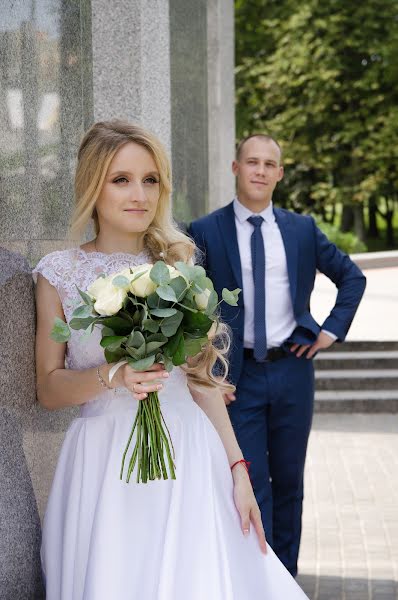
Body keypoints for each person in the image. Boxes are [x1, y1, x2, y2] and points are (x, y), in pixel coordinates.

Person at [33, 121, 309, 599]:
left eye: (150, 179)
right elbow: (48, 389)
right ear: (91, 185)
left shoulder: (181, 264)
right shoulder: (59, 273)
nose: (139, 194)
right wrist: (113, 375)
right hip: (105, 459)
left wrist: (238, 470)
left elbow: (202, 381)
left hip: (191, 452)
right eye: (121, 179)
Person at [189, 134, 366, 577]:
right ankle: (256, 580)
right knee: (248, 480)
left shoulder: (301, 229)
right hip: (238, 378)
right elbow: (190, 306)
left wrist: (328, 332)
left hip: (292, 370)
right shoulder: (205, 231)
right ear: (235, 167)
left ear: (280, 174)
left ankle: (286, 578)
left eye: (270, 164)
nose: (261, 171)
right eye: (253, 162)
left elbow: (352, 277)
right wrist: (207, 371)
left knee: (289, 483)